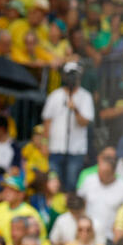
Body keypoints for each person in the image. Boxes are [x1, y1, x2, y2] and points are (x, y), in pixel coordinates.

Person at [42, 62, 94, 192]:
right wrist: (44, 143)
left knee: (71, 184)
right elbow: (47, 121)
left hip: (76, 150)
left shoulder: (85, 96)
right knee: (54, 183)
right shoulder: (55, 95)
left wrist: (75, 109)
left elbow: (85, 122)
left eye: (74, 75)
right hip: (55, 148)